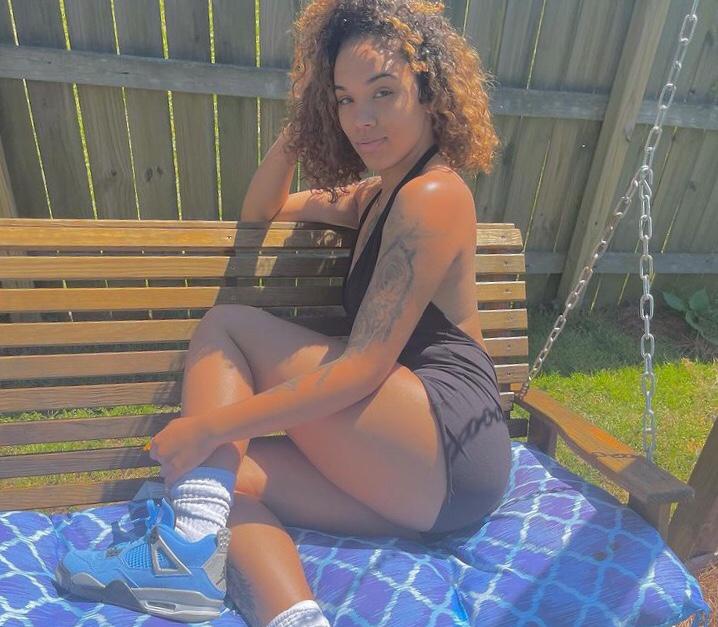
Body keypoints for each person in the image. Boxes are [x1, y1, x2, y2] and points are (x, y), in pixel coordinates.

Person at [54, 1, 511, 625]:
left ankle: (183, 551)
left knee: (228, 328)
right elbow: (261, 209)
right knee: (219, 482)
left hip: (446, 440)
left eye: (383, 92)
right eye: (345, 99)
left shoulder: (432, 194)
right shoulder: (375, 196)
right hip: (424, 478)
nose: (362, 118)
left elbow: (363, 369)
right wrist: (302, 126)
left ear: (430, 94)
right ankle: (285, 612)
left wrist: (209, 426)